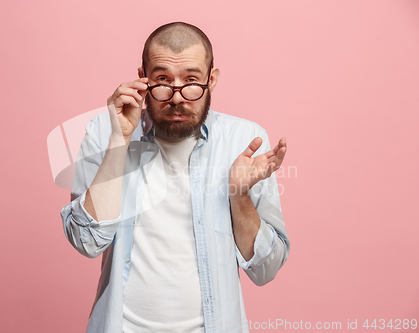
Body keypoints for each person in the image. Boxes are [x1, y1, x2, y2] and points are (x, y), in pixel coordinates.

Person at [61, 22, 290, 333]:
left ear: (212, 79)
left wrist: (239, 194)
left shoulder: (246, 141)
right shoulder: (105, 132)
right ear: (142, 79)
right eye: (163, 80)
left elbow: (266, 269)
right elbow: (86, 242)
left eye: (192, 80)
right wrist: (119, 142)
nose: (177, 97)